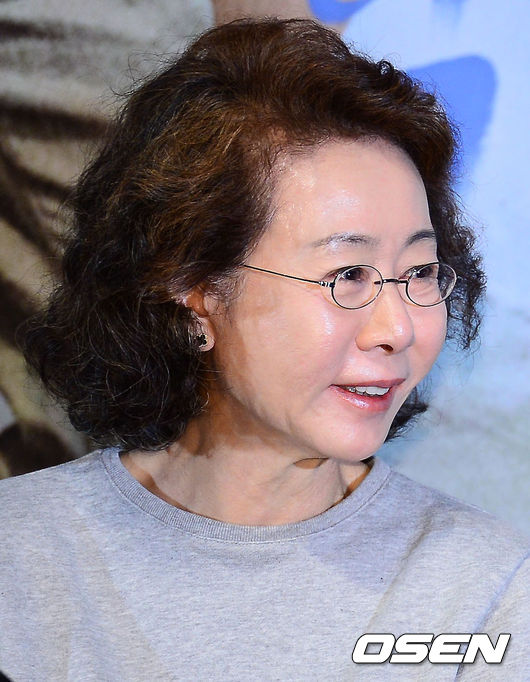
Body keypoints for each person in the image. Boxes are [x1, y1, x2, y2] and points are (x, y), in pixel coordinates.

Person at [0, 18, 527, 681]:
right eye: (347, 275)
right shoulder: (21, 557)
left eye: (419, 272)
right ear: (194, 290)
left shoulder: (483, 587)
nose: (398, 327)